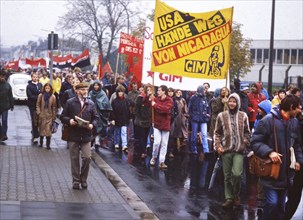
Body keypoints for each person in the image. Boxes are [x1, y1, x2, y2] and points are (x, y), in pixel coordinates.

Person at [250, 94, 303, 220]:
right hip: (271, 173)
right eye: (298, 107)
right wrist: (269, 152)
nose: (300, 109)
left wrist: (299, 161)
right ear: (291, 107)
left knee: (280, 207)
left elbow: (296, 145)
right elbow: (255, 142)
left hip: (286, 174)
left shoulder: (294, 122)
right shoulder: (268, 120)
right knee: (272, 203)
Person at [213, 93, 251, 208]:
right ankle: (229, 198)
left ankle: (236, 194)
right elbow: (217, 132)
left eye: (234, 101)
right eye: (230, 101)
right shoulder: (221, 115)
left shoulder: (243, 115)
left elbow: (247, 132)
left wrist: (245, 142)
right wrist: (218, 145)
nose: (232, 103)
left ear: (238, 103)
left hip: (239, 150)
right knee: (227, 176)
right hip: (226, 149)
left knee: (237, 174)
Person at [60, 82, 99, 190]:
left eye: (86, 89)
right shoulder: (70, 102)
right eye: (82, 90)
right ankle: (76, 181)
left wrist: (92, 124)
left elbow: (96, 117)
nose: (84, 92)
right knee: (74, 159)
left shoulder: (91, 103)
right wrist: (70, 120)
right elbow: (63, 116)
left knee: (87, 157)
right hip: (73, 134)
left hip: (86, 135)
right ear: (77, 91)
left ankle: (84, 179)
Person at [285, 102, 303, 220]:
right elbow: (297, 143)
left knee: (294, 195)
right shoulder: (298, 123)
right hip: (300, 163)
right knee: (294, 195)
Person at [150, 85, 174, 169]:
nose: (157, 92)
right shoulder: (155, 99)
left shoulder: (169, 100)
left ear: (164, 91)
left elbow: (166, 109)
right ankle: (154, 157)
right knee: (157, 142)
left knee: (164, 144)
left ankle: (161, 161)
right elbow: (151, 108)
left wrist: (156, 106)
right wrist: (151, 101)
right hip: (156, 124)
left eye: (159, 90)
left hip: (165, 124)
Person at [88, 80, 112, 152]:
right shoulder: (91, 93)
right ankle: (91, 143)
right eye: (94, 85)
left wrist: (99, 103)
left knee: (99, 129)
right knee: (92, 128)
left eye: (97, 85)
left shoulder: (102, 94)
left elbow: (106, 104)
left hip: (100, 115)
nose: (96, 87)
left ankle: (97, 144)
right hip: (91, 114)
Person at [188, 85, 211, 155]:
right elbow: (190, 108)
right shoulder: (193, 98)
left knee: (204, 134)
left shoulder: (205, 98)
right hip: (195, 119)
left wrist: (208, 115)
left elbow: (208, 108)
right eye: (204, 90)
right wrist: (192, 116)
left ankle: (206, 150)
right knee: (194, 135)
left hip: (203, 119)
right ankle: (193, 149)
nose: (205, 91)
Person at [110, 85, 131, 152]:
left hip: (124, 119)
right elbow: (112, 111)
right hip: (117, 118)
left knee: (124, 132)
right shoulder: (114, 101)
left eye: (122, 92)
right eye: (119, 92)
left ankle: (124, 145)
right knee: (117, 131)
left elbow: (128, 110)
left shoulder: (126, 101)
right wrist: (112, 119)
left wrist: (129, 117)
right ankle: (116, 143)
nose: (120, 93)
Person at [133, 84, 152, 159]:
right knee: (142, 136)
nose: (149, 92)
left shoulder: (152, 99)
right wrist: (138, 117)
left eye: (150, 90)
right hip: (141, 120)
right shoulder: (140, 97)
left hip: (148, 120)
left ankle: (143, 149)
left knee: (146, 136)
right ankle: (142, 151)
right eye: (148, 90)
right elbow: (136, 108)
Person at [36, 83, 57, 149]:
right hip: (42, 115)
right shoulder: (41, 95)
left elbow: (54, 107)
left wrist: (53, 116)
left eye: (48, 88)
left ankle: (48, 145)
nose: (47, 90)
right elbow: (38, 105)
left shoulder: (53, 96)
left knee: (48, 130)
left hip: (49, 116)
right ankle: (41, 143)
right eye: (46, 88)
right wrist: (38, 112)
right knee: (41, 129)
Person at [26, 72, 43, 143]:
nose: (35, 78)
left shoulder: (40, 85)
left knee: (39, 120)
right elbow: (30, 96)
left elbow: (43, 93)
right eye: (34, 77)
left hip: (40, 105)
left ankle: (36, 131)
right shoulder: (29, 86)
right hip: (32, 105)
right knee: (34, 120)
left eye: (37, 77)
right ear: (31, 77)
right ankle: (35, 136)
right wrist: (39, 97)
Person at [0, 70, 14, 142]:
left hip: (5, 106)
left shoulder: (7, 85)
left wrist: (12, 105)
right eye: (1, 76)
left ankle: (4, 134)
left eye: (4, 77)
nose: (2, 78)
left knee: (4, 120)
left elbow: (10, 96)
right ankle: (1, 134)